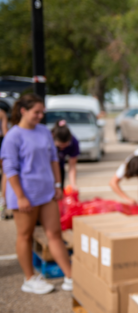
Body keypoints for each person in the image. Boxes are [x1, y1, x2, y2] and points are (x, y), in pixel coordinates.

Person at [0, 94, 72, 294]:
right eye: (36, 112)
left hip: (46, 193)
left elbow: (53, 160)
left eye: (42, 112)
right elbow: (10, 169)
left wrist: (58, 184)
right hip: (24, 195)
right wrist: (20, 196)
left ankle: (70, 276)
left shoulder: (43, 132)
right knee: (25, 235)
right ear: (23, 111)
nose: (40, 116)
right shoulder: (13, 136)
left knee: (55, 234)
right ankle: (29, 278)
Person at [52, 120, 80, 190]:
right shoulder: (47, 140)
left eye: (65, 145)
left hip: (60, 168)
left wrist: (73, 184)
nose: (62, 148)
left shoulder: (74, 142)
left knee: (60, 191)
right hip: (46, 169)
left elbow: (72, 166)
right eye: (60, 145)